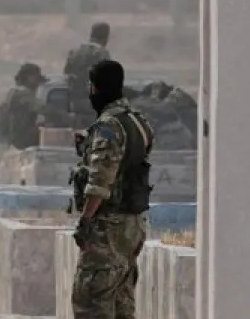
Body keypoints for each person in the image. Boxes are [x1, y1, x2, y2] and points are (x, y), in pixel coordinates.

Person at [70, 59, 155, 319]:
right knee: (121, 304)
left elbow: (100, 182)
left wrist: (85, 221)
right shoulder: (139, 122)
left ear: (95, 88)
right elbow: (128, 162)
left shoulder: (108, 126)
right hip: (132, 226)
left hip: (108, 227)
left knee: (91, 302)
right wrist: (89, 143)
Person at [64, 22, 111, 125]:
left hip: (74, 101)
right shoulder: (101, 53)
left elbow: (67, 73)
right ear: (106, 36)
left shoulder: (75, 51)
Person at [0, 62, 46, 149]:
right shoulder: (23, 93)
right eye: (36, 80)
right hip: (19, 140)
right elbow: (44, 109)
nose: (37, 85)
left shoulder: (13, 92)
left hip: (9, 139)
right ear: (29, 78)